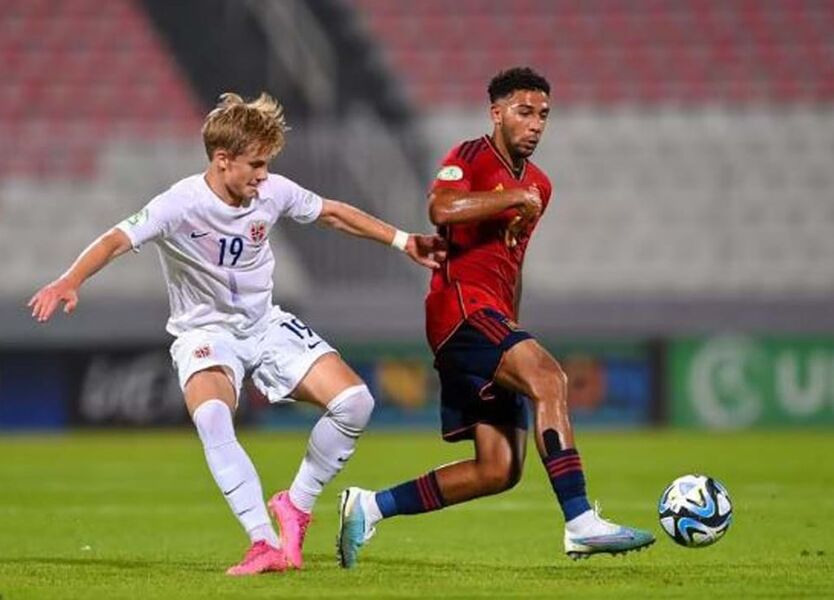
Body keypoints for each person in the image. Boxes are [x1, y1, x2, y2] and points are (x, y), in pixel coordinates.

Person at [28, 92, 446, 576]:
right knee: (212, 417)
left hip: (264, 324)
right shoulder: (179, 204)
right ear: (223, 161)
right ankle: (263, 543)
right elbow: (117, 239)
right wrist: (70, 280)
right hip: (204, 333)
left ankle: (297, 504)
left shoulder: (272, 192)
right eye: (256, 165)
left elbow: (332, 212)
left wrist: (402, 240)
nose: (263, 176)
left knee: (356, 402)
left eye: (267, 165)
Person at [337, 67, 654, 568]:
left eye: (543, 115)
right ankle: (579, 522)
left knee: (498, 468)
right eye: (525, 112)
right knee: (550, 379)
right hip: (460, 307)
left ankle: (369, 505)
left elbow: (514, 264)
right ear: (498, 113)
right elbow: (440, 210)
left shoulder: (540, 186)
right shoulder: (470, 157)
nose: (535, 125)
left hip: (493, 315)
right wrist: (509, 197)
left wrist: (513, 326)